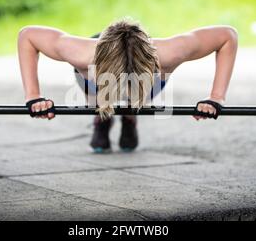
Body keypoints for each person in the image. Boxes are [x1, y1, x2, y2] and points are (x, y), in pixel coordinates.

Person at [17, 19, 238, 153]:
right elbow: (27, 36)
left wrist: (216, 97)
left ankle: (130, 116)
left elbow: (228, 36)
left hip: (148, 84)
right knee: (100, 100)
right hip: (96, 83)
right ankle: (102, 117)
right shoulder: (81, 53)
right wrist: (34, 96)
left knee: (134, 98)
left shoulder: (169, 52)